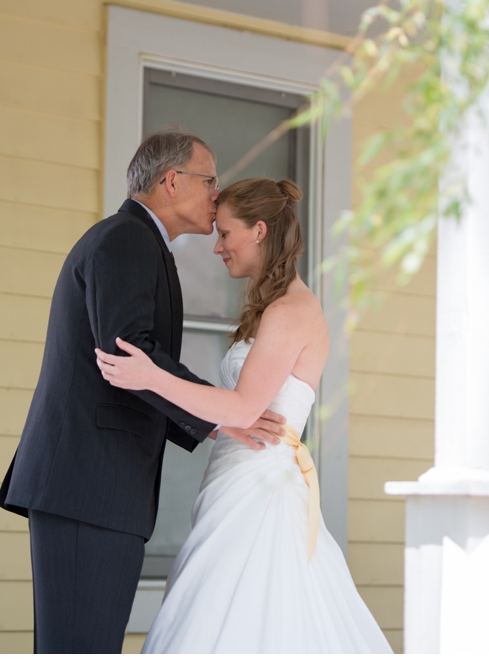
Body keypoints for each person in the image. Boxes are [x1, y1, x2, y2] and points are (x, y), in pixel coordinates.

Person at [0, 129, 288, 653]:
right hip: (90, 486)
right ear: (171, 181)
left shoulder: (137, 242)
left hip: (92, 487)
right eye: (210, 181)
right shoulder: (127, 239)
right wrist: (225, 415)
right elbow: (128, 351)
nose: (217, 195)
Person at [95, 177, 391, 653]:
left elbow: (244, 407)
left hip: (261, 493)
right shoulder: (270, 308)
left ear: (258, 231)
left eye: (225, 233)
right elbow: (239, 411)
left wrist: (150, 375)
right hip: (234, 480)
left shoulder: (291, 311)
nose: (217, 247)